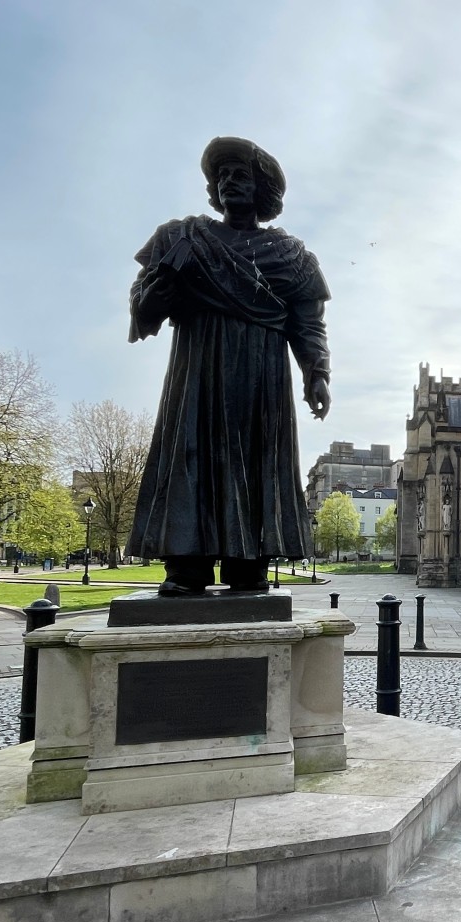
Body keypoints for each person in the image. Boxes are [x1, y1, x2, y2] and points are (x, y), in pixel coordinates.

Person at [126, 137, 331, 596]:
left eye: (241, 175)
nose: (229, 183)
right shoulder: (181, 238)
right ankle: (186, 565)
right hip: (198, 369)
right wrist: (156, 291)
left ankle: (249, 563)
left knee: (258, 456)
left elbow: (309, 324)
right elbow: (143, 313)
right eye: (221, 176)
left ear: (263, 189)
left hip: (262, 375)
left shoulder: (292, 257)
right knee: (191, 453)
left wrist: (316, 372)